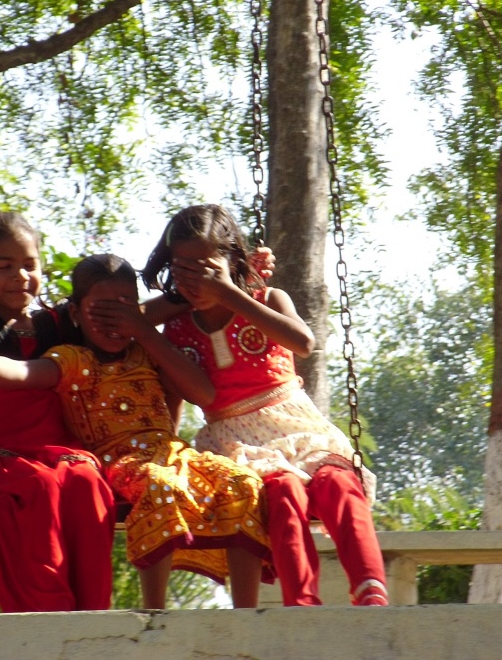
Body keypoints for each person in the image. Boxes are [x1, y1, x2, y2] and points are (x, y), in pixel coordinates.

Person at [0, 253, 271, 609]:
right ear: (76, 315)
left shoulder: (147, 352)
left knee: (243, 483)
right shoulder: (73, 360)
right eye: (102, 310)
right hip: (122, 461)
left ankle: (245, 612)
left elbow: (201, 391)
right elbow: (20, 372)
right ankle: (155, 612)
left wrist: (240, 278)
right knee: (161, 485)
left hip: (173, 453)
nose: (115, 319)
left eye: (125, 307)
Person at [137, 204, 389, 607]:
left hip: (296, 426)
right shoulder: (178, 329)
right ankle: (301, 603)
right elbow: (142, 328)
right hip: (236, 441)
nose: (196, 280)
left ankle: (370, 587)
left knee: (339, 485)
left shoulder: (267, 298)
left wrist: (229, 293)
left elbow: (303, 343)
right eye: (184, 270)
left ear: (232, 261)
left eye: (206, 269)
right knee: (283, 494)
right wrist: (186, 296)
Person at [0, 214, 114, 612]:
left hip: (64, 456)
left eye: (30, 265)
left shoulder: (61, 323)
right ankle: (48, 615)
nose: (20, 276)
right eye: (4, 266)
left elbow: (124, 315)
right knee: (38, 487)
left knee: (87, 480)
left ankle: (93, 614)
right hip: (5, 461)